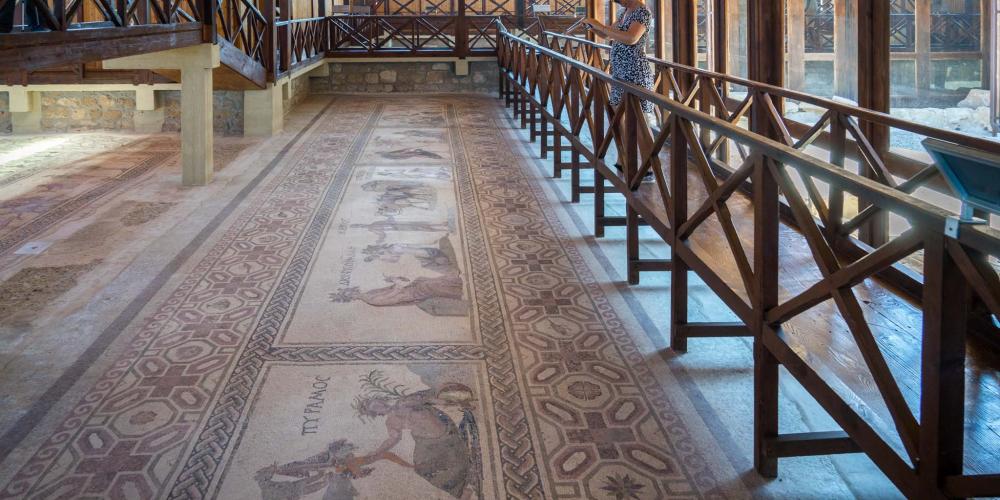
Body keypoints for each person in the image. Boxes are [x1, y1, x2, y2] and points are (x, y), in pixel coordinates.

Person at [583, 0, 655, 182]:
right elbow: (610, 34)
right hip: (620, 73)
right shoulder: (624, 12)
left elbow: (631, 38)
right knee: (618, 115)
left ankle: (649, 168)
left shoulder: (643, 12)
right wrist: (595, 28)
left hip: (635, 73)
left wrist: (601, 27)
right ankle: (624, 158)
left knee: (640, 122)